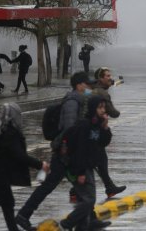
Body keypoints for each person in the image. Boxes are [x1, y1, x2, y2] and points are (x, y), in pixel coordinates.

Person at [16, 71, 105, 231]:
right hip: (65, 154)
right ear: (79, 86)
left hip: (69, 153)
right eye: (87, 85)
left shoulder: (80, 100)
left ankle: (90, 219)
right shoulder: (72, 102)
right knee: (51, 186)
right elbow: (70, 131)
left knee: (81, 187)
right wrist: (71, 154)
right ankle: (23, 215)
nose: (89, 88)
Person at [0, 103, 49, 231]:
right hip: (0, 176)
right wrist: (40, 165)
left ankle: (13, 229)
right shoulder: (10, 133)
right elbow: (19, 156)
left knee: (8, 203)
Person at [60, 95, 112, 230]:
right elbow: (80, 149)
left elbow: (102, 142)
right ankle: (68, 222)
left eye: (103, 108)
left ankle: (83, 226)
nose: (103, 110)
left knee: (86, 199)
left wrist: (105, 127)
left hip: (88, 166)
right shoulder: (85, 125)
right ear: (93, 108)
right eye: (100, 107)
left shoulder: (96, 124)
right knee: (89, 200)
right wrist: (80, 172)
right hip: (78, 167)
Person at [92, 67, 126, 197]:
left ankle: (109, 187)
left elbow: (114, 83)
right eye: (107, 76)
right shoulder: (102, 93)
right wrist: (116, 112)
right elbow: (113, 112)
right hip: (95, 131)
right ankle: (109, 187)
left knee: (98, 160)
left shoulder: (93, 89)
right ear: (100, 78)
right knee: (96, 160)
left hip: (91, 129)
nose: (110, 78)